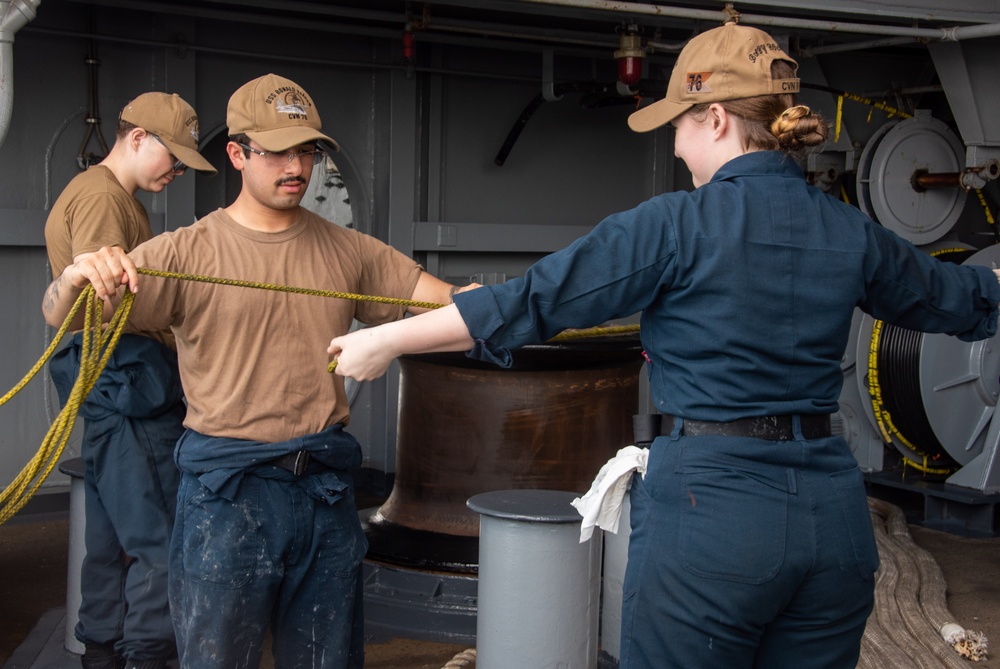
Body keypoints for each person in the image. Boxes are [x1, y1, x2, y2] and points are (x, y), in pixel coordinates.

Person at [327, 21, 1000, 669]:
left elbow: (530, 301)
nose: (675, 145)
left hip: (713, 515)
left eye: (679, 123)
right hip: (833, 518)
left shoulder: (673, 225)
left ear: (715, 119)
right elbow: (965, 301)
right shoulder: (850, 230)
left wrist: (385, 340)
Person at [42, 72, 473, 669]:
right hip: (225, 497)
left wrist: (498, 300)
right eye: (276, 152)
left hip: (324, 494)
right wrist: (72, 278)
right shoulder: (184, 253)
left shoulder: (351, 251)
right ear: (239, 154)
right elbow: (67, 315)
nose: (296, 166)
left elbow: (447, 302)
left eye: (306, 150)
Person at [44, 92, 217, 669]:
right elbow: (102, 305)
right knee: (160, 542)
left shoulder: (106, 195)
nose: (177, 170)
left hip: (109, 389)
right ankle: (147, 655)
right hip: (129, 389)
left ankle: (101, 650)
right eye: (174, 156)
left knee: (111, 538)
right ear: (138, 137)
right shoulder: (103, 202)